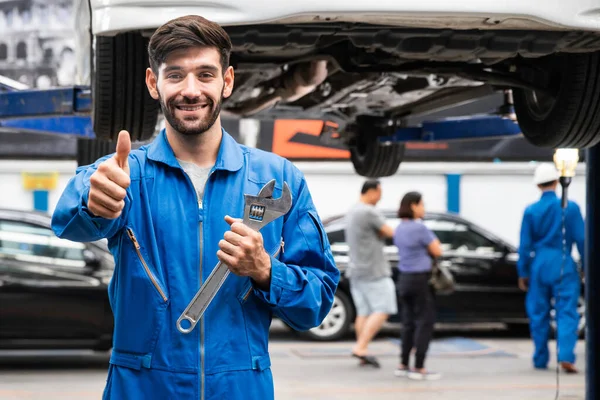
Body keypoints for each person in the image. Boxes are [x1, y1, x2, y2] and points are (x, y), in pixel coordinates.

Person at [51, 15, 339, 399]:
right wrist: (94, 203)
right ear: (154, 84)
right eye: (175, 75)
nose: (190, 90)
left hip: (241, 388)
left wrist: (266, 271)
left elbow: (316, 305)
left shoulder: (279, 177)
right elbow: (69, 221)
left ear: (228, 81)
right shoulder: (124, 175)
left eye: (205, 74)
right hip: (141, 388)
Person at [517, 163, 585, 374]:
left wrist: (523, 272)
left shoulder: (531, 211)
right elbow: (582, 240)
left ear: (538, 185)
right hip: (563, 263)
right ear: (557, 182)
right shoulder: (570, 208)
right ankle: (565, 356)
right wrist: (585, 267)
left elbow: (525, 246)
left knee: (538, 313)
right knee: (566, 312)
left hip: (539, 265)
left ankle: (540, 358)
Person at [344, 179, 396, 368]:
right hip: (374, 269)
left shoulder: (352, 210)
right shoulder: (368, 211)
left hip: (356, 268)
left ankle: (362, 350)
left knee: (364, 312)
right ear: (372, 191)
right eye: (380, 194)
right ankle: (361, 347)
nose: (380, 199)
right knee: (384, 308)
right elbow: (390, 232)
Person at [393, 191, 442, 380]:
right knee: (425, 321)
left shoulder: (399, 228)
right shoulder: (420, 228)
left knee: (408, 323)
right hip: (421, 279)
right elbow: (437, 250)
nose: (424, 208)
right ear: (413, 205)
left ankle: (403, 364)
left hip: (404, 279)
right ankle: (419, 367)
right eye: (422, 204)